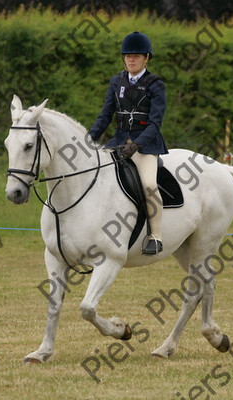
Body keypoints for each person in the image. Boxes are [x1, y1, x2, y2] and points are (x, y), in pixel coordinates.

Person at [88, 31, 168, 255]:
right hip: (119, 142)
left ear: (146, 58)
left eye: (136, 56)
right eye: (127, 56)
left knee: (149, 185)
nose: (131, 59)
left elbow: (155, 123)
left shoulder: (155, 85)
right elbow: (105, 116)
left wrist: (138, 145)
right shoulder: (117, 81)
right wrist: (88, 139)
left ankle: (155, 236)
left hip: (146, 146)